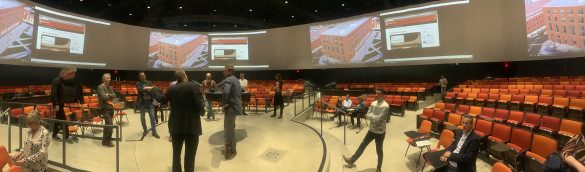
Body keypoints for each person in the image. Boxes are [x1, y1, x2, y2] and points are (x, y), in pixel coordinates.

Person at [162, 68, 204, 172]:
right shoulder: (193, 86)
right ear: (185, 76)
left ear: (176, 78)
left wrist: (155, 90)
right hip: (192, 127)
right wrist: (202, 112)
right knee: (190, 156)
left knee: (176, 155)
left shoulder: (171, 88)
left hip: (176, 127)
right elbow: (200, 106)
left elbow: (162, 99)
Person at [343, 88, 389, 172]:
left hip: (380, 132)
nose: (376, 95)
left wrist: (371, 116)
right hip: (371, 130)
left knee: (379, 150)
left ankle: (379, 168)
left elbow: (378, 119)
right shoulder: (374, 103)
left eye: (378, 94)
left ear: (383, 95)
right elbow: (367, 114)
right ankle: (351, 161)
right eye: (376, 93)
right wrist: (372, 117)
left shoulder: (385, 106)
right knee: (362, 145)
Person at [50, 67, 84, 143]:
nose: (72, 75)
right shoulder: (56, 80)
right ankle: (66, 137)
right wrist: (56, 104)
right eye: (70, 74)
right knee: (63, 120)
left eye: (73, 73)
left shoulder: (68, 81)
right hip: (58, 104)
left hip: (61, 104)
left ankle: (54, 135)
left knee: (58, 119)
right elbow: (53, 94)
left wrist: (81, 102)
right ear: (62, 74)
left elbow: (79, 91)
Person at [221, 65, 242, 159]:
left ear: (230, 72)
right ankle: (229, 148)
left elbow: (226, 92)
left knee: (229, 130)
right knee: (230, 127)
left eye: (225, 71)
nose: (223, 72)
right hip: (236, 107)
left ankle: (232, 151)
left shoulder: (228, 80)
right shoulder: (237, 80)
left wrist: (224, 103)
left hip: (231, 108)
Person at [137, 72, 160, 139]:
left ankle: (154, 131)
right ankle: (145, 130)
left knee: (152, 117)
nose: (143, 77)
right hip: (142, 103)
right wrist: (148, 89)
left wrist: (146, 90)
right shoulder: (138, 83)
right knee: (142, 117)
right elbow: (140, 90)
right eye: (141, 76)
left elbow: (152, 91)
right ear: (139, 77)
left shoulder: (149, 82)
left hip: (150, 102)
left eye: (144, 75)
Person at [97, 73, 116, 147]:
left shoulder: (109, 88)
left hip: (111, 108)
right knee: (110, 126)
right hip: (105, 109)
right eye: (108, 78)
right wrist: (109, 96)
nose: (109, 79)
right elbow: (104, 97)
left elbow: (114, 95)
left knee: (107, 125)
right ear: (104, 79)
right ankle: (108, 140)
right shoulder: (100, 87)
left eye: (110, 78)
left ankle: (104, 141)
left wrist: (109, 95)